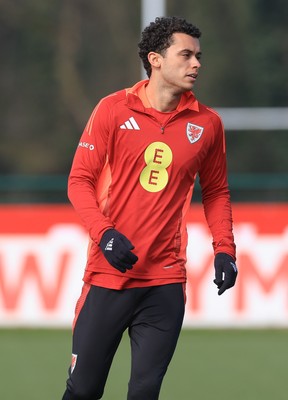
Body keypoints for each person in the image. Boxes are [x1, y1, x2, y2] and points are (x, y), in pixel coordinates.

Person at [62, 16, 238, 400]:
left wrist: (225, 250)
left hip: (165, 282)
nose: (196, 64)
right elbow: (79, 182)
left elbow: (217, 192)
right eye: (186, 55)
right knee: (83, 391)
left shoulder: (207, 124)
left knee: (144, 393)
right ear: (155, 59)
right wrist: (105, 235)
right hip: (108, 277)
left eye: (199, 56)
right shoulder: (112, 109)